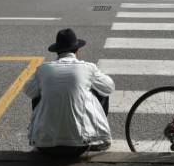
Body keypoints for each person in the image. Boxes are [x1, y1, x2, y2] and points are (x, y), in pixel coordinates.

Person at [24, 28, 114, 158]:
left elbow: (28, 91)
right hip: (79, 146)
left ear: (57, 52)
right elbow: (109, 87)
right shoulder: (88, 68)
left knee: (37, 92)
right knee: (101, 90)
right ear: (77, 50)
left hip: (46, 147)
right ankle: (97, 136)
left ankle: (42, 132)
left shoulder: (43, 69)